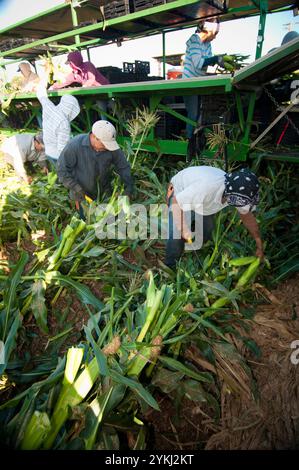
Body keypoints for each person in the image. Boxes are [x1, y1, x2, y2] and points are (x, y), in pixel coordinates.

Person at [165, 166, 263, 269]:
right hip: (180, 192)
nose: (241, 205)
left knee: (207, 229)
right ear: (231, 194)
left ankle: (197, 251)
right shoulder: (204, 189)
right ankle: (170, 266)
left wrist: (259, 244)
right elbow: (176, 203)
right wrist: (183, 229)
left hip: (203, 202)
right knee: (175, 234)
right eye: (240, 202)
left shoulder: (238, 192)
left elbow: (247, 217)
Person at [57, 120, 134, 215]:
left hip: (104, 193)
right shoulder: (75, 145)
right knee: (85, 220)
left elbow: (124, 167)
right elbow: (62, 171)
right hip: (81, 195)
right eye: (104, 144)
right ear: (94, 137)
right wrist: (76, 188)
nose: (107, 147)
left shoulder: (111, 147)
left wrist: (128, 188)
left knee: (106, 220)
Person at [182, 19, 226, 159]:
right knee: (193, 114)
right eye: (216, 32)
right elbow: (199, 63)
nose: (216, 36)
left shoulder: (208, 44)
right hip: (189, 83)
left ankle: (198, 141)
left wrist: (219, 61)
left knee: (201, 115)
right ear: (208, 30)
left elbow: (207, 61)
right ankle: (190, 145)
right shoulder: (194, 40)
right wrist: (215, 59)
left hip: (200, 83)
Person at [36, 84, 80, 167]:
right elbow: (62, 148)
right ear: (71, 109)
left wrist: (41, 86)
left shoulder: (50, 108)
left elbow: (42, 97)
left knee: (57, 174)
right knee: (67, 177)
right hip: (57, 155)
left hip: (48, 152)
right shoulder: (64, 123)